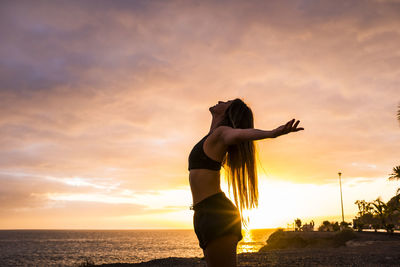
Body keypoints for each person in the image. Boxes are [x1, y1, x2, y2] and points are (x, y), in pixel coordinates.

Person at [188, 98, 304, 267]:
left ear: (228, 112)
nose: (220, 100)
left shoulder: (222, 133)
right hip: (203, 213)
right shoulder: (213, 136)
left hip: (216, 214)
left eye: (226, 101)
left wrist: (271, 133)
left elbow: (240, 134)